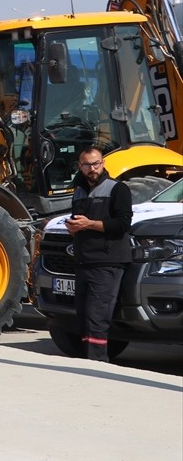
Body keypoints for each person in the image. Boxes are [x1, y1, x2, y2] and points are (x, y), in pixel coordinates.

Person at [64, 146, 133, 362]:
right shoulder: (79, 192)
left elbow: (122, 225)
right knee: (84, 318)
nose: (92, 169)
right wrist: (73, 228)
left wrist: (89, 224)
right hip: (83, 261)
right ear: (80, 166)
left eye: (96, 164)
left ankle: (98, 366)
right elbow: (80, 223)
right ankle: (89, 363)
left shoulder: (118, 189)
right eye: (87, 165)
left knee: (97, 318)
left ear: (103, 163)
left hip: (107, 262)